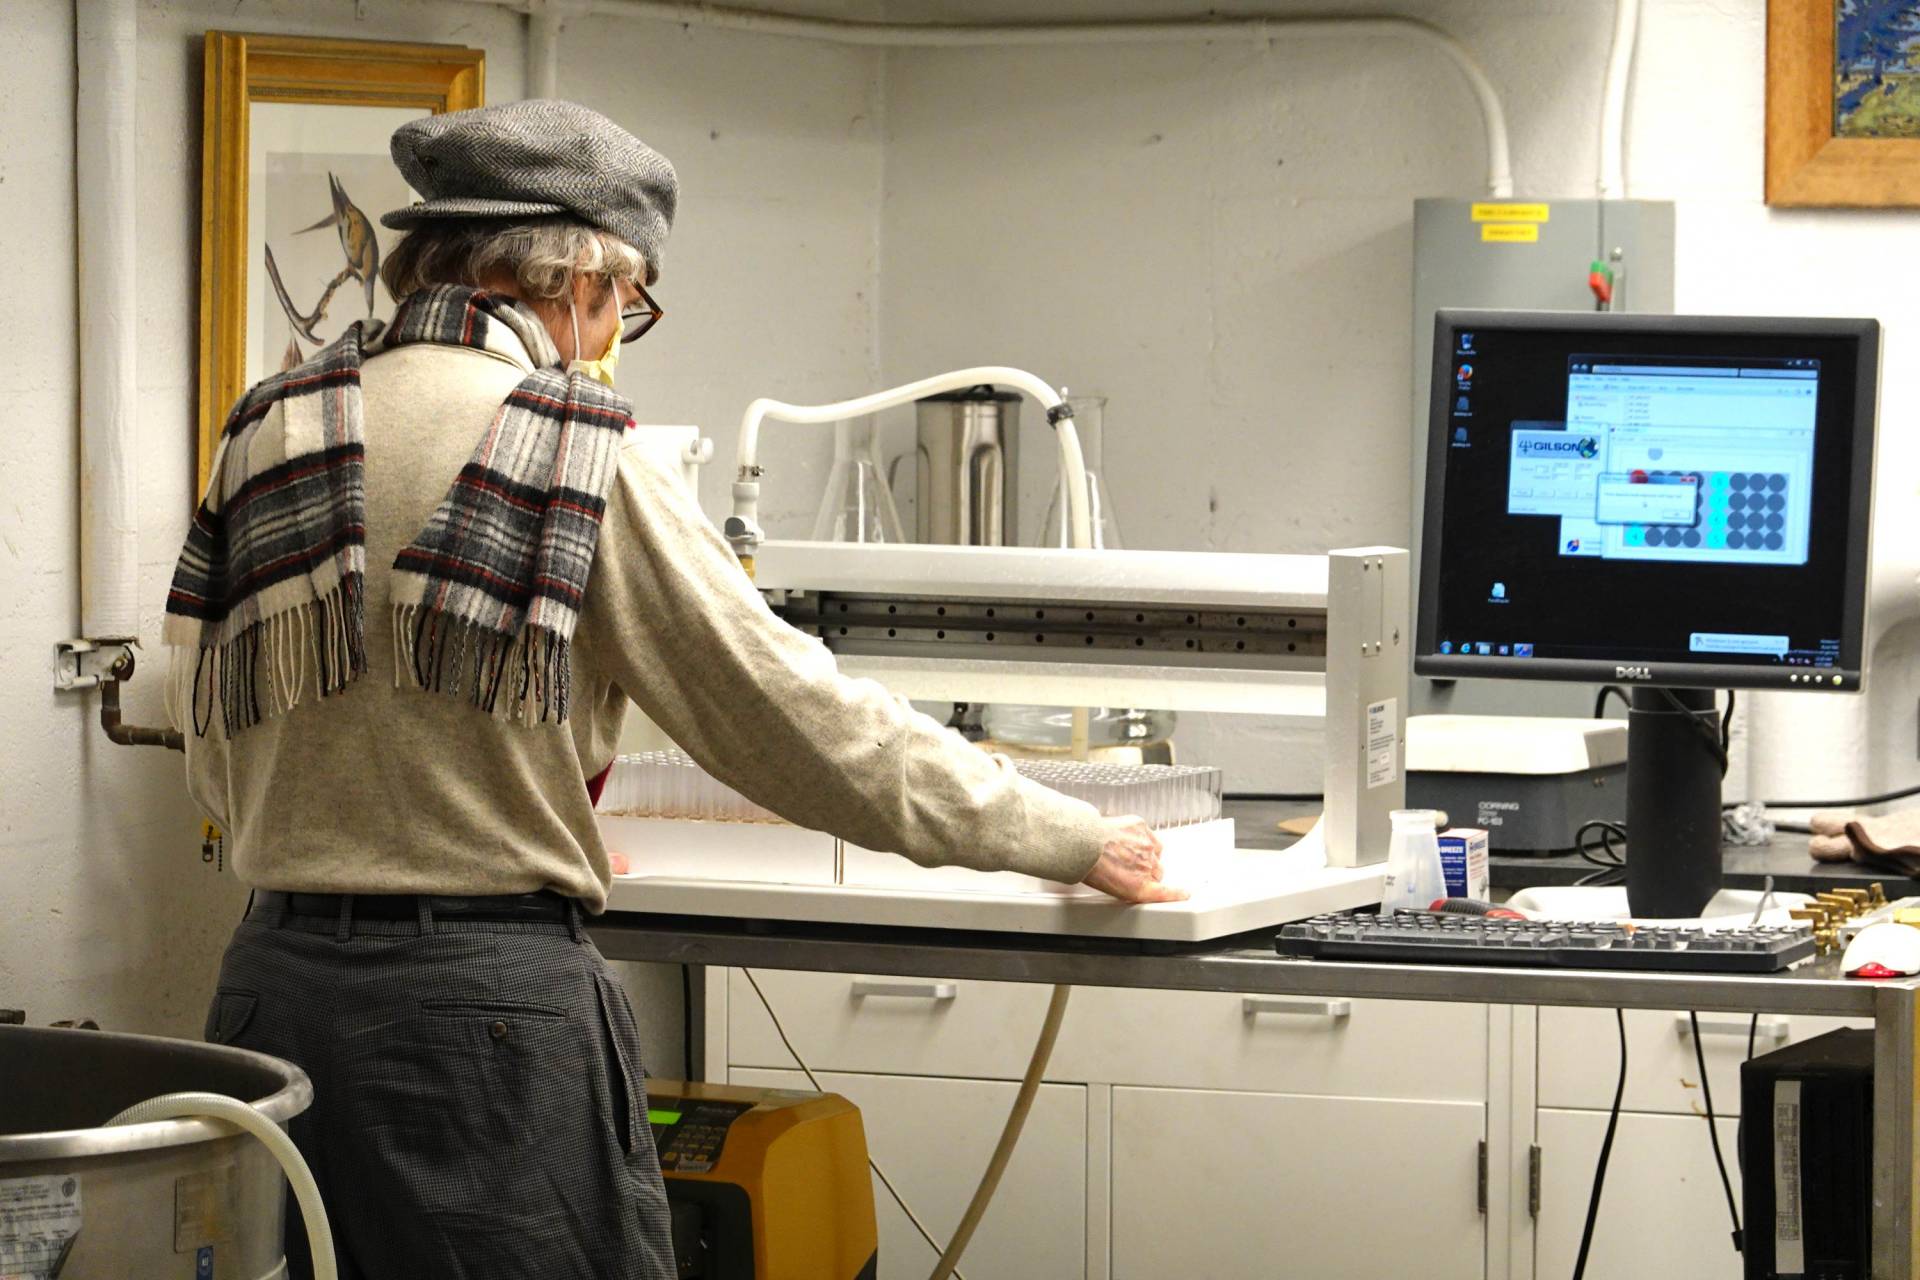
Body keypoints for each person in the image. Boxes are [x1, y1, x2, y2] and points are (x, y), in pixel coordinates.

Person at [163, 99, 1180, 1279]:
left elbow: (209, 733)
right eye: (624, 303)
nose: (613, 334)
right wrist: (1060, 832)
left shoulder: (268, 428)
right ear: (576, 283)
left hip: (272, 1002)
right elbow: (793, 718)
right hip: (485, 1023)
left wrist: (415, 812)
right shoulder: (574, 452)